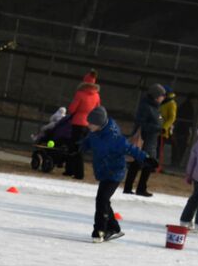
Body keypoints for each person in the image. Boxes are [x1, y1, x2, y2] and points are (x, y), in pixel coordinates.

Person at [80, 105, 156, 242]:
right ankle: (114, 228)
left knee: (102, 200)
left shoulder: (115, 139)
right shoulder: (93, 134)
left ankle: (100, 231)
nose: (88, 125)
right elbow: (86, 143)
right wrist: (77, 147)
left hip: (115, 172)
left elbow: (132, 149)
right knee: (103, 200)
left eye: (91, 123)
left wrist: (146, 158)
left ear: (100, 124)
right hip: (103, 171)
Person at [123, 83, 165, 197]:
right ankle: (132, 187)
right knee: (139, 163)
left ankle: (138, 187)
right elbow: (141, 124)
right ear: (156, 96)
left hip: (151, 141)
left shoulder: (155, 108)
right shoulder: (146, 107)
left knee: (145, 164)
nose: (163, 98)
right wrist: (157, 128)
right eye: (162, 95)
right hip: (144, 140)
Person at [64, 68, 100, 178]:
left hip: (78, 123)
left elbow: (72, 109)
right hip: (88, 125)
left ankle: (76, 172)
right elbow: (97, 109)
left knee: (73, 147)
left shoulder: (80, 94)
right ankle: (72, 170)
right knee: (81, 148)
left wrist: (71, 111)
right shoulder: (96, 96)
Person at [159, 84, 177, 167]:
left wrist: (165, 127)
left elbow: (172, 118)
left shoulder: (171, 103)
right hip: (155, 127)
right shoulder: (160, 101)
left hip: (163, 131)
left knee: (159, 148)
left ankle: (157, 165)